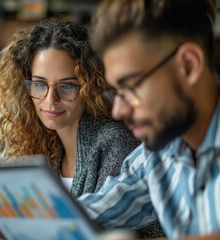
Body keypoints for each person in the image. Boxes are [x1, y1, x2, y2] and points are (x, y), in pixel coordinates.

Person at [0, 18, 164, 238]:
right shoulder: (41, 141)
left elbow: (77, 230)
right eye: (40, 85)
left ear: (90, 86)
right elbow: (29, 220)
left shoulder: (112, 142)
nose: (50, 100)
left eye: (67, 86)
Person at [78, 0, 220, 239]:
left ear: (188, 65)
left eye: (130, 87)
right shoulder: (159, 152)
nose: (118, 111)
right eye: (116, 93)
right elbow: (94, 210)